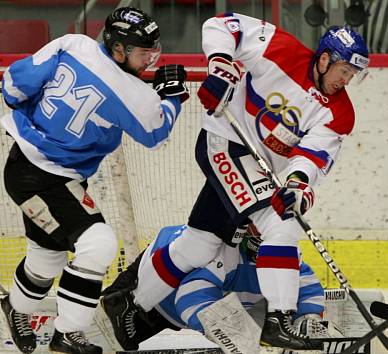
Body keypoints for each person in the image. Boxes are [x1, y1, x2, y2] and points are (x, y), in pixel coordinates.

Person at [100, 12, 369, 352]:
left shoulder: (340, 113)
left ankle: (130, 303)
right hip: (225, 142)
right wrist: (221, 65)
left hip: (257, 167)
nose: (346, 80)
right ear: (326, 59)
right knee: (280, 225)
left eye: (353, 75)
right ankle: (280, 319)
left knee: (199, 244)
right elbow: (222, 25)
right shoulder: (281, 48)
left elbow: (312, 156)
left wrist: (298, 185)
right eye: (345, 71)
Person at [0, 7, 188, 354]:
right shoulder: (132, 92)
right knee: (98, 243)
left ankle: (15, 307)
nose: (150, 58)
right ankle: (68, 333)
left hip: (27, 168)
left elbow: (14, 83)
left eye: (152, 49)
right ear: (118, 49)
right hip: (45, 178)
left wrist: (17, 103)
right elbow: (156, 134)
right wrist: (172, 98)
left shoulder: (72, 44)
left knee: (47, 258)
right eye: (142, 51)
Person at [99, 223, 329, 351]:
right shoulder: (226, 252)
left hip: (177, 264)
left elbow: (305, 283)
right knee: (118, 333)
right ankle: (115, 298)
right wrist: (231, 333)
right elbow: (190, 297)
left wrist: (309, 316)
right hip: (162, 281)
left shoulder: (286, 253)